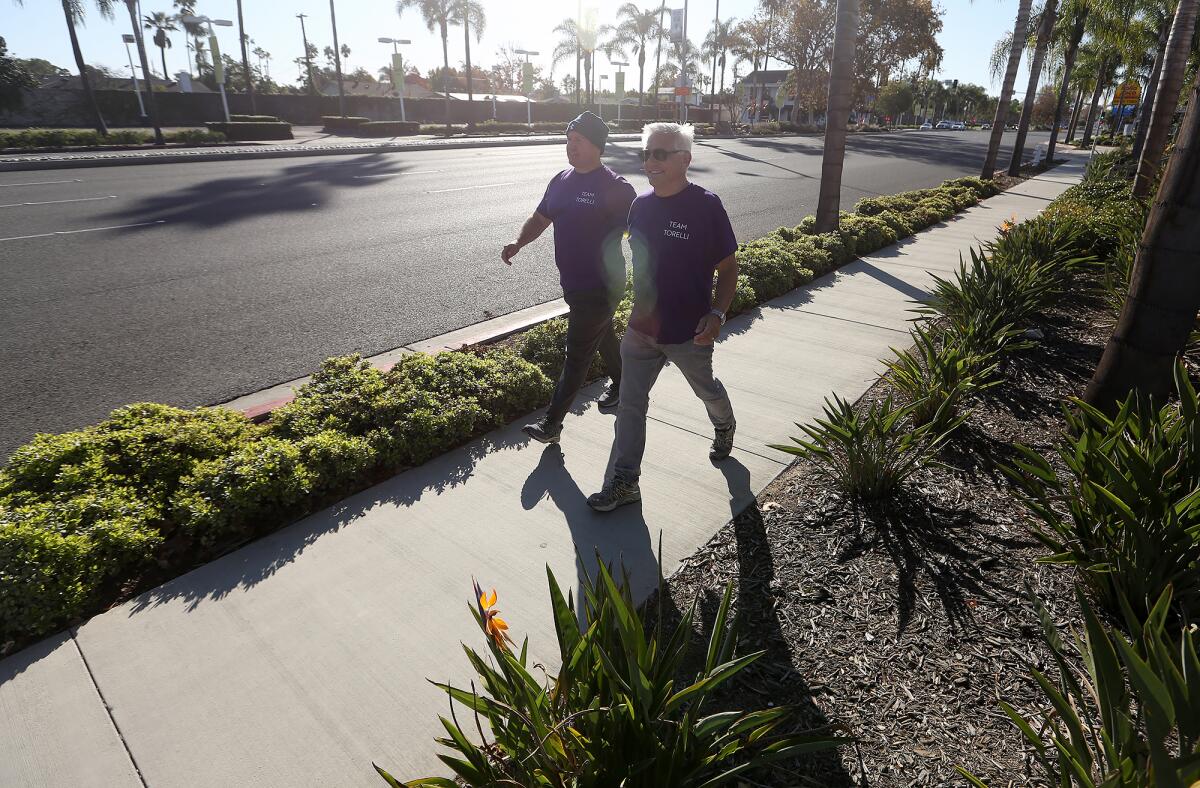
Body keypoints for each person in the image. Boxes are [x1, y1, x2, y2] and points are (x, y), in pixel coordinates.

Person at [588, 122, 739, 512]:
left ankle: (724, 424)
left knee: (707, 390)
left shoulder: (706, 206)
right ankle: (626, 482)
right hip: (641, 330)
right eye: (646, 153)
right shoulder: (641, 205)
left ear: (685, 159)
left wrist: (718, 313)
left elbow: (728, 267)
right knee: (630, 406)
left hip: (689, 333)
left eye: (660, 153)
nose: (649, 162)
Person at [501, 111, 637, 444]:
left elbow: (643, 235)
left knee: (577, 353)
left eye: (578, 141)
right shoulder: (561, 180)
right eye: (568, 140)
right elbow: (540, 217)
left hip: (603, 286)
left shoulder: (616, 188)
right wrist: (519, 242)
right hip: (574, 284)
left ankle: (552, 423)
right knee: (601, 336)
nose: (570, 147)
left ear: (597, 145)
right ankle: (623, 384)